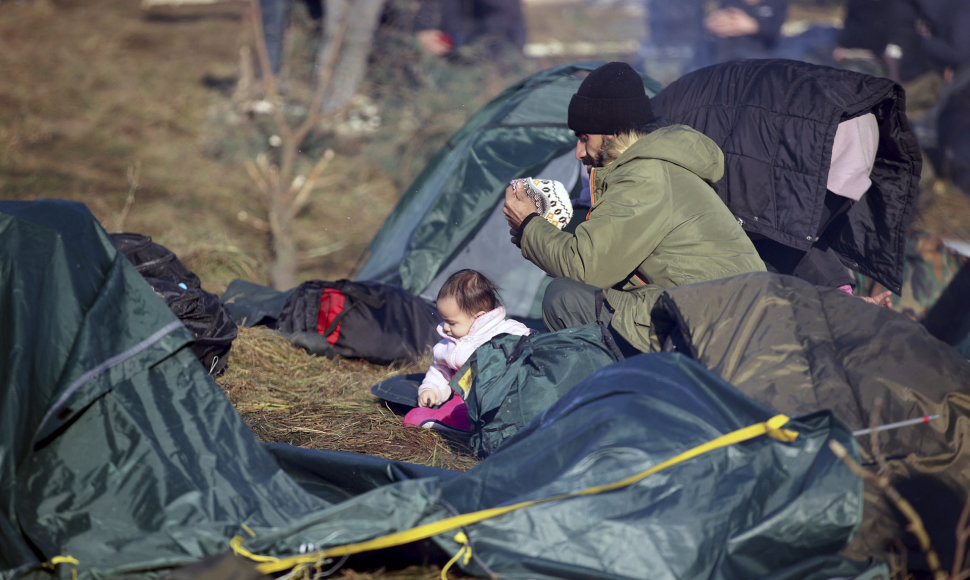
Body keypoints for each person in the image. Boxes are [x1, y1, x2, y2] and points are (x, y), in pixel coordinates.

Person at [502, 62, 766, 355]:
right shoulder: (653, 169)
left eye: (584, 138)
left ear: (612, 132)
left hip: (714, 329)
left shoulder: (644, 177)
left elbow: (586, 268)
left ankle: (604, 398)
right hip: (714, 317)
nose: (579, 153)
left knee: (565, 298)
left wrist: (529, 225)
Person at [403, 269, 531, 430]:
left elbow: (528, 339)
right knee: (421, 415)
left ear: (478, 317)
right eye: (444, 320)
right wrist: (431, 390)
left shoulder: (505, 330)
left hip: (501, 395)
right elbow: (440, 371)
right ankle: (454, 422)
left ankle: (462, 423)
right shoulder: (448, 346)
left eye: (452, 322)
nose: (446, 327)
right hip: (463, 399)